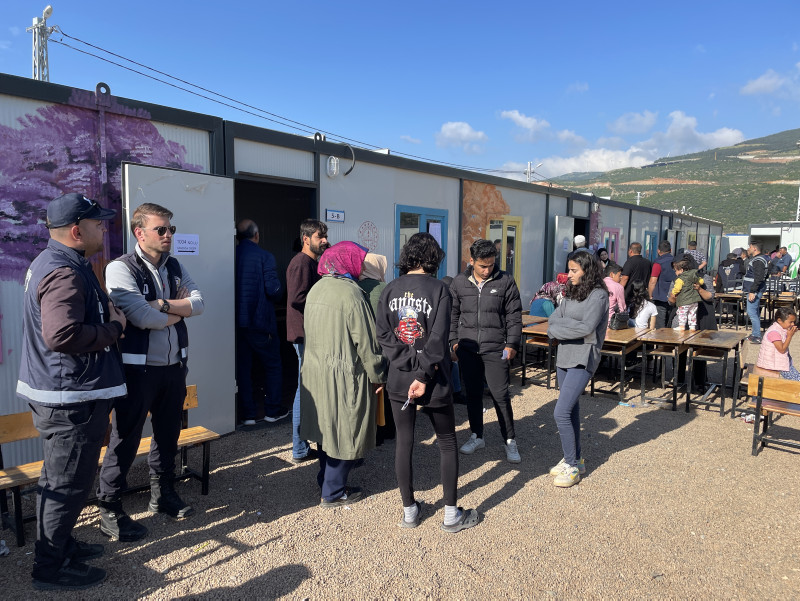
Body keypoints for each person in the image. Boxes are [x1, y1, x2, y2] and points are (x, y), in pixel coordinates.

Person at [17, 193, 126, 590]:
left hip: (64, 393)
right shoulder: (63, 270)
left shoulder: (56, 262)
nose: (104, 230)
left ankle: (61, 546)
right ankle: (50, 568)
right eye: (98, 224)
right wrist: (114, 328)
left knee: (59, 479)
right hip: (70, 399)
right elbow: (61, 334)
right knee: (66, 485)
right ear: (77, 231)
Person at [98, 202, 205, 540]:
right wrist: (177, 311)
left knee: (168, 434)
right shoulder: (121, 268)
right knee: (126, 438)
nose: (168, 234)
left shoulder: (174, 265)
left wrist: (161, 305)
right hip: (137, 371)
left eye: (171, 228)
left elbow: (199, 304)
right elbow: (141, 318)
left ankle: (163, 494)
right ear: (139, 233)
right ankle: (110, 506)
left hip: (174, 367)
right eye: (161, 229)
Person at [376, 233, 480, 533]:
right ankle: (450, 515)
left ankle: (410, 512)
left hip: (400, 376)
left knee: (404, 441)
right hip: (433, 376)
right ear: (433, 258)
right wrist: (421, 373)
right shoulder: (439, 289)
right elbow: (437, 338)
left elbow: (383, 335)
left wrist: (406, 362)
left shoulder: (390, 289)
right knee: (446, 441)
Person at [299, 241, 387, 507]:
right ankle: (333, 492)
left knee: (326, 429)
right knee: (347, 430)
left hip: (315, 373)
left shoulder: (317, 288)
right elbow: (366, 343)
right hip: (343, 373)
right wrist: (378, 375)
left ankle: (325, 478)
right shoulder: (351, 294)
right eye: (358, 259)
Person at [449, 239, 522, 463]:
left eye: (491, 265)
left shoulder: (505, 281)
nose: (487, 270)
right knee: (473, 393)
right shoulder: (459, 282)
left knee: (500, 395)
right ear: (472, 261)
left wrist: (512, 344)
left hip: (495, 348)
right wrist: (454, 342)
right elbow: (452, 315)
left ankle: (509, 440)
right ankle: (476, 436)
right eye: (482, 266)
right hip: (468, 348)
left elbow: (514, 316)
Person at [547, 251, 609, 488]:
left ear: (587, 270)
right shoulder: (571, 292)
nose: (569, 275)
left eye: (574, 270)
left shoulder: (599, 295)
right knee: (570, 410)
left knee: (560, 413)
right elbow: (553, 320)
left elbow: (587, 328)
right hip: (564, 356)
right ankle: (575, 459)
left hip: (584, 358)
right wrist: (565, 327)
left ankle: (571, 465)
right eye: (569, 269)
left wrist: (560, 329)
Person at [286, 219, 329, 464]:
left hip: (309, 333)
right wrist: (324, 301)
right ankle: (299, 448)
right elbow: (296, 298)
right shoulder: (301, 263)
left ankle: (300, 447)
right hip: (303, 334)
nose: (324, 240)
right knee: (304, 390)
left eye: (325, 236)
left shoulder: (312, 262)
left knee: (305, 389)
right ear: (306, 239)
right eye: (319, 236)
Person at [235, 219, 285, 426]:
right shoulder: (265, 256)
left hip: (238, 324)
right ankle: (272, 411)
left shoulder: (231, 255)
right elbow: (273, 290)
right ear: (256, 235)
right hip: (261, 322)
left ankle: (248, 415)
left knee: (243, 369)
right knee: (272, 365)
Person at [357, 253, 394, 444]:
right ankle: (387, 429)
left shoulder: (355, 287)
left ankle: (371, 431)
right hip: (385, 345)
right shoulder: (386, 288)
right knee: (386, 389)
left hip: (362, 347)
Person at [756, 307, 800, 380]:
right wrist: (789, 336)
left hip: (777, 362)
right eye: (790, 322)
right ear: (779, 320)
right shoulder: (774, 332)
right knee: (797, 381)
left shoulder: (780, 329)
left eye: (794, 322)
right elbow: (782, 350)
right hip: (774, 365)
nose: (793, 324)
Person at [742, 240, 770, 343]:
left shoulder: (758, 260)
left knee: (751, 312)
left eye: (749, 247)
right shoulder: (760, 259)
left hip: (754, 290)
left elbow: (759, 277)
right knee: (755, 312)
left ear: (754, 248)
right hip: (755, 289)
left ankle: (757, 336)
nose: (748, 249)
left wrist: (752, 291)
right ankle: (755, 333)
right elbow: (765, 275)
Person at [670, 258, 704, 331]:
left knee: (682, 313)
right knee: (692, 313)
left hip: (684, 300)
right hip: (694, 300)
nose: (675, 272)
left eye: (676, 270)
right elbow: (701, 281)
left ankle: (681, 326)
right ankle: (692, 327)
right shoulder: (693, 276)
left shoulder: (680, 279)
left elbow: (677, 288)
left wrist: (673, 292)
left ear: (681, 270)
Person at [648, 240, 676, 328]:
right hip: (674, 295)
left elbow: (653, 281)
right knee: (671, 321)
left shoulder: (658, 263)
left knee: (660, 323)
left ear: (658, 251)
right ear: (671, 250)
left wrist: (650, 295)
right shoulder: (676, 262)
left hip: (660, 297)